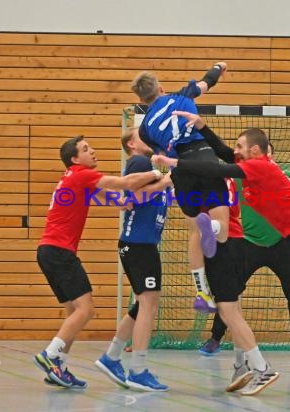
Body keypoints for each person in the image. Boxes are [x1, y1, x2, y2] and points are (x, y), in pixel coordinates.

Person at [152, 113, 290, 384]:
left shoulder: (262, 166)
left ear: (256, 150)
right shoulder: (250, 166)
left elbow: (219, 168)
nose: (234, 151)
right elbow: (223, 153)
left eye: (239, 146)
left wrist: (175, 162)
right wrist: (202, 126)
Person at [33, 135, 165, 389]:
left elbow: (113, 198)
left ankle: (58, 364)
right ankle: (50, 355)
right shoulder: (81, 174)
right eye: (85, 149)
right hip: (59, 252)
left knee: (74, 311)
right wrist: (160, 175)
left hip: (48, 251)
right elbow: (125, 183)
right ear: (74, 159)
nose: (92, 151)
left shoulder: (74, 179)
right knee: (86, 310)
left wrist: (125, 204)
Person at [199, 145, 290, 357]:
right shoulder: (241, 178)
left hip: (282, 243)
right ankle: (215, 338)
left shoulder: (283, 176)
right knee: (230, 290)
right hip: (250, 243)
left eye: (267, 152)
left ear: (272, 156)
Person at [131, 63, 229, 313]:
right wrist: (220, 66)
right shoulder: (183, 95)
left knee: (195, 232)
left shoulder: (144, 129)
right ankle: (213, 225)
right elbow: (209, 80)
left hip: (180, 168)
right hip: (204, 157)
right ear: (161, 88)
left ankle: (201, 293)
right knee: (222, 231)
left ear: (141, 99)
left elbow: (163, 151)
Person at [95, 128, 172, 392]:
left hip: (142, 244)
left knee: (142, 304)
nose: (147, 138)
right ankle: (138, 370)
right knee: (148, 304)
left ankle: (112, 356)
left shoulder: (148, 164)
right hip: (139, 245)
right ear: (131, 143)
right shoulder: (139, 162)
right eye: (141, 135)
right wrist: (164, 182)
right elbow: (133, 198)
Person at [201, 176, 280, 396]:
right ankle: (240, 365)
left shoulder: (205, 182)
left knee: (228, 311)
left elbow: (218, 224)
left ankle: (262, 368)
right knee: (234, 309)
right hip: (238, 244)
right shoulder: (224, 178)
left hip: (222, 246)